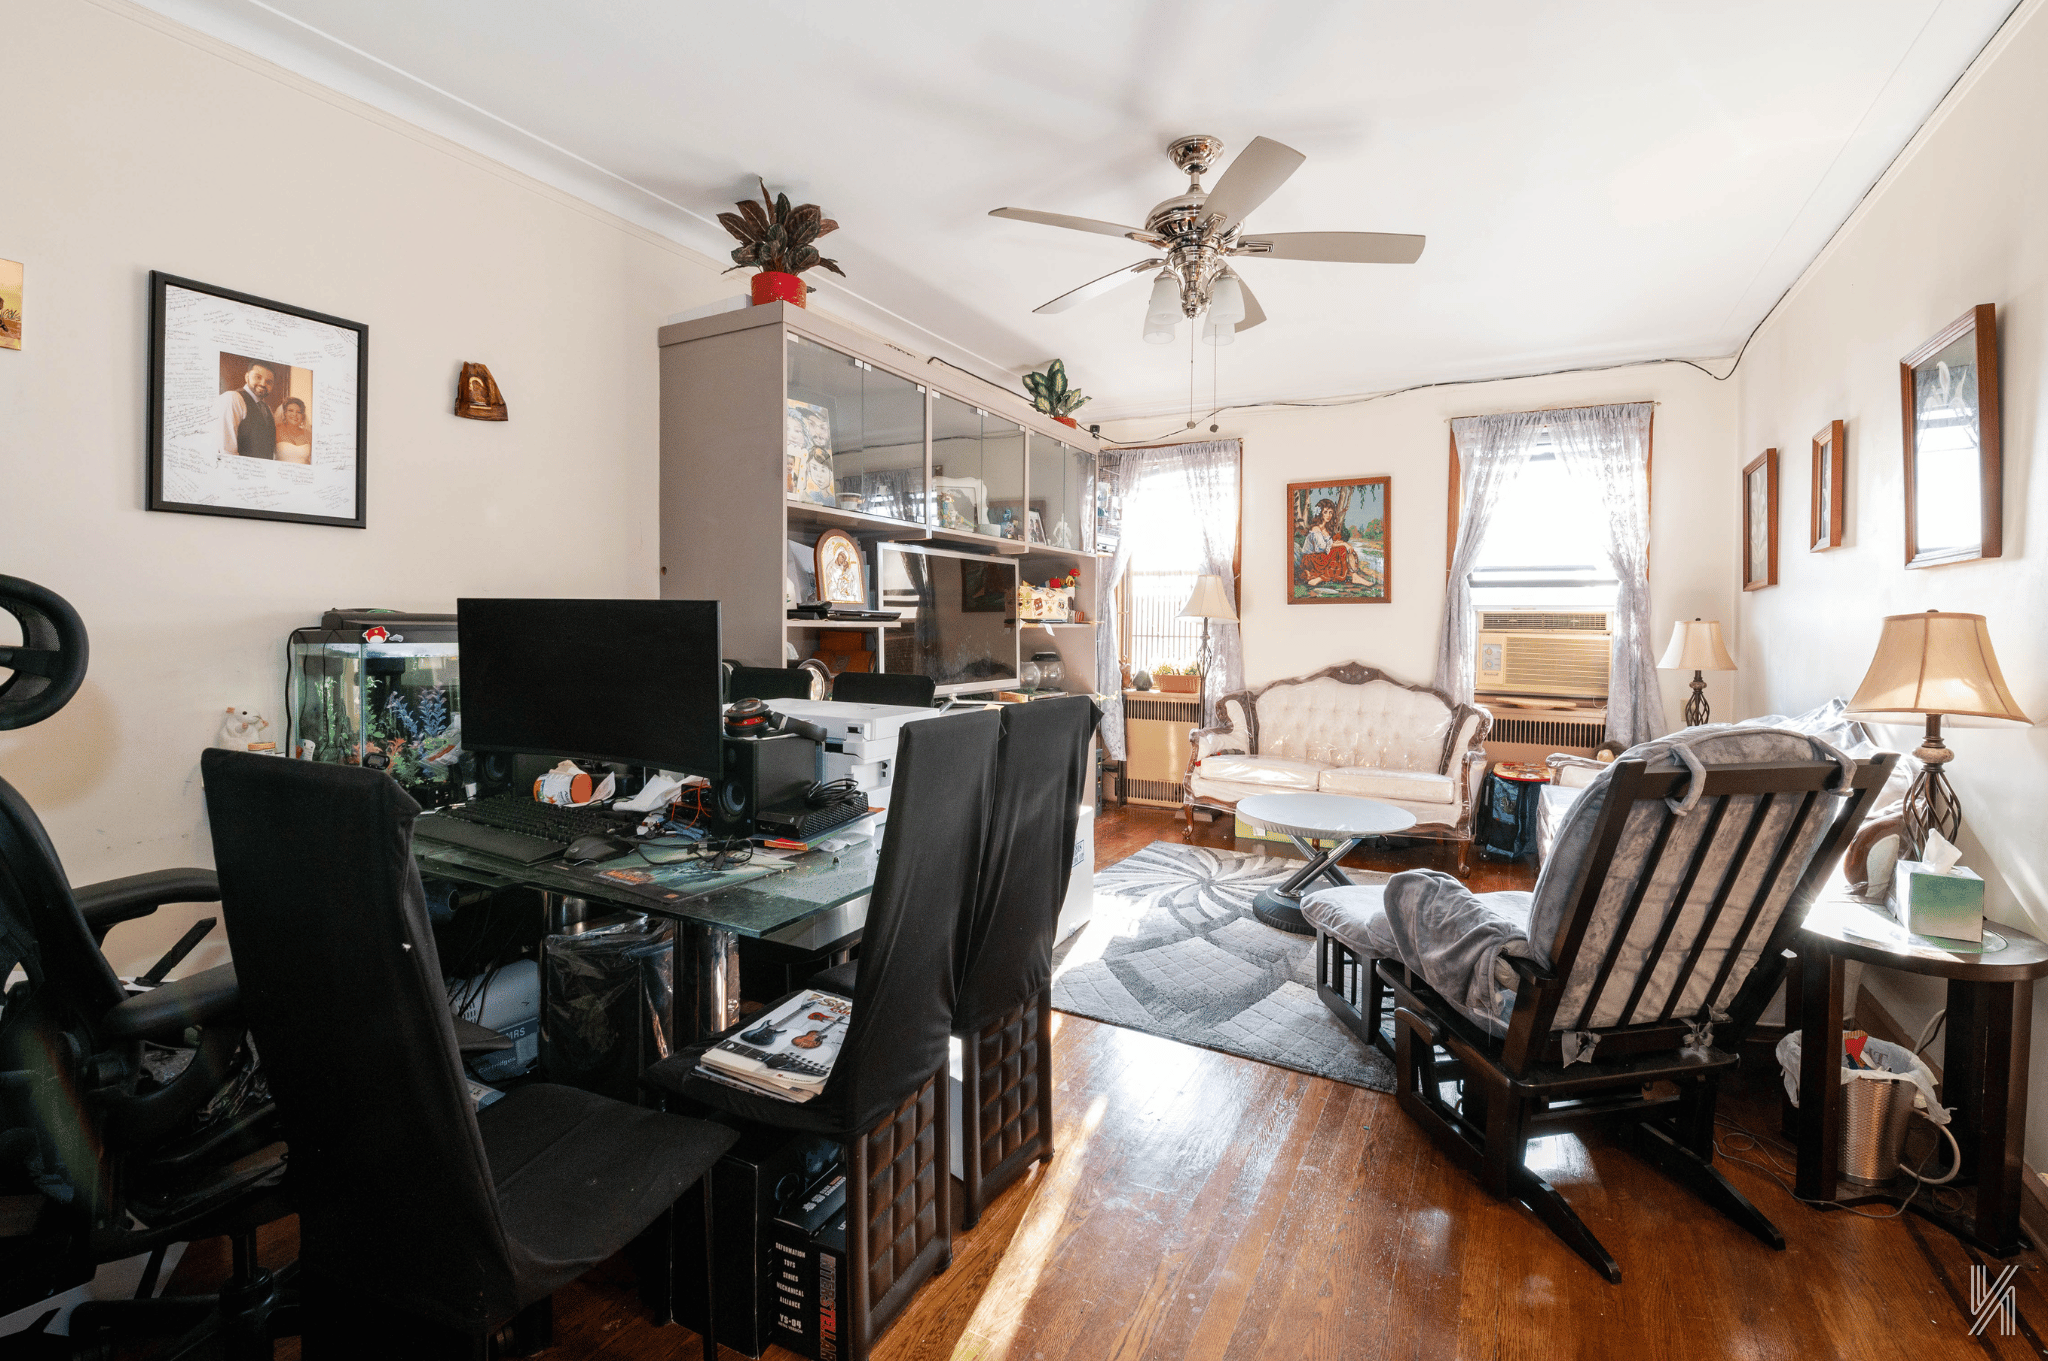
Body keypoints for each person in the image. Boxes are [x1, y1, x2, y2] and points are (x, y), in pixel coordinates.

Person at [217, 362, 277, 459]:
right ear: (247, 377)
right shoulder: (233, 398)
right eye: (258, 377)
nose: (263, 384)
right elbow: (227, 450)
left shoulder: (267, 409)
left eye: (269, 382)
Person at [274, 397, 312, 464]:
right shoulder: (276, 431)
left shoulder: (309, 434)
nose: (294, 415)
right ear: (284, 413)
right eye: (290, 410)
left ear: (302, 415)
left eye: (299, 412)